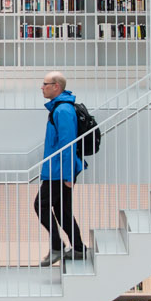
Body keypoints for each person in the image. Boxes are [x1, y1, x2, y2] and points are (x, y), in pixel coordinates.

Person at [35, 70, 88, 267]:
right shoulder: (59, 108)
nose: (42, 87)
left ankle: (57, 247)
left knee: (40, 205)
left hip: (58, 172)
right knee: (63, 210)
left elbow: (67, 145)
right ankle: (79, 248)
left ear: (56, 86)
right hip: (57, 170)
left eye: (45, 83)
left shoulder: (62, 111)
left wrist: (67, 175)